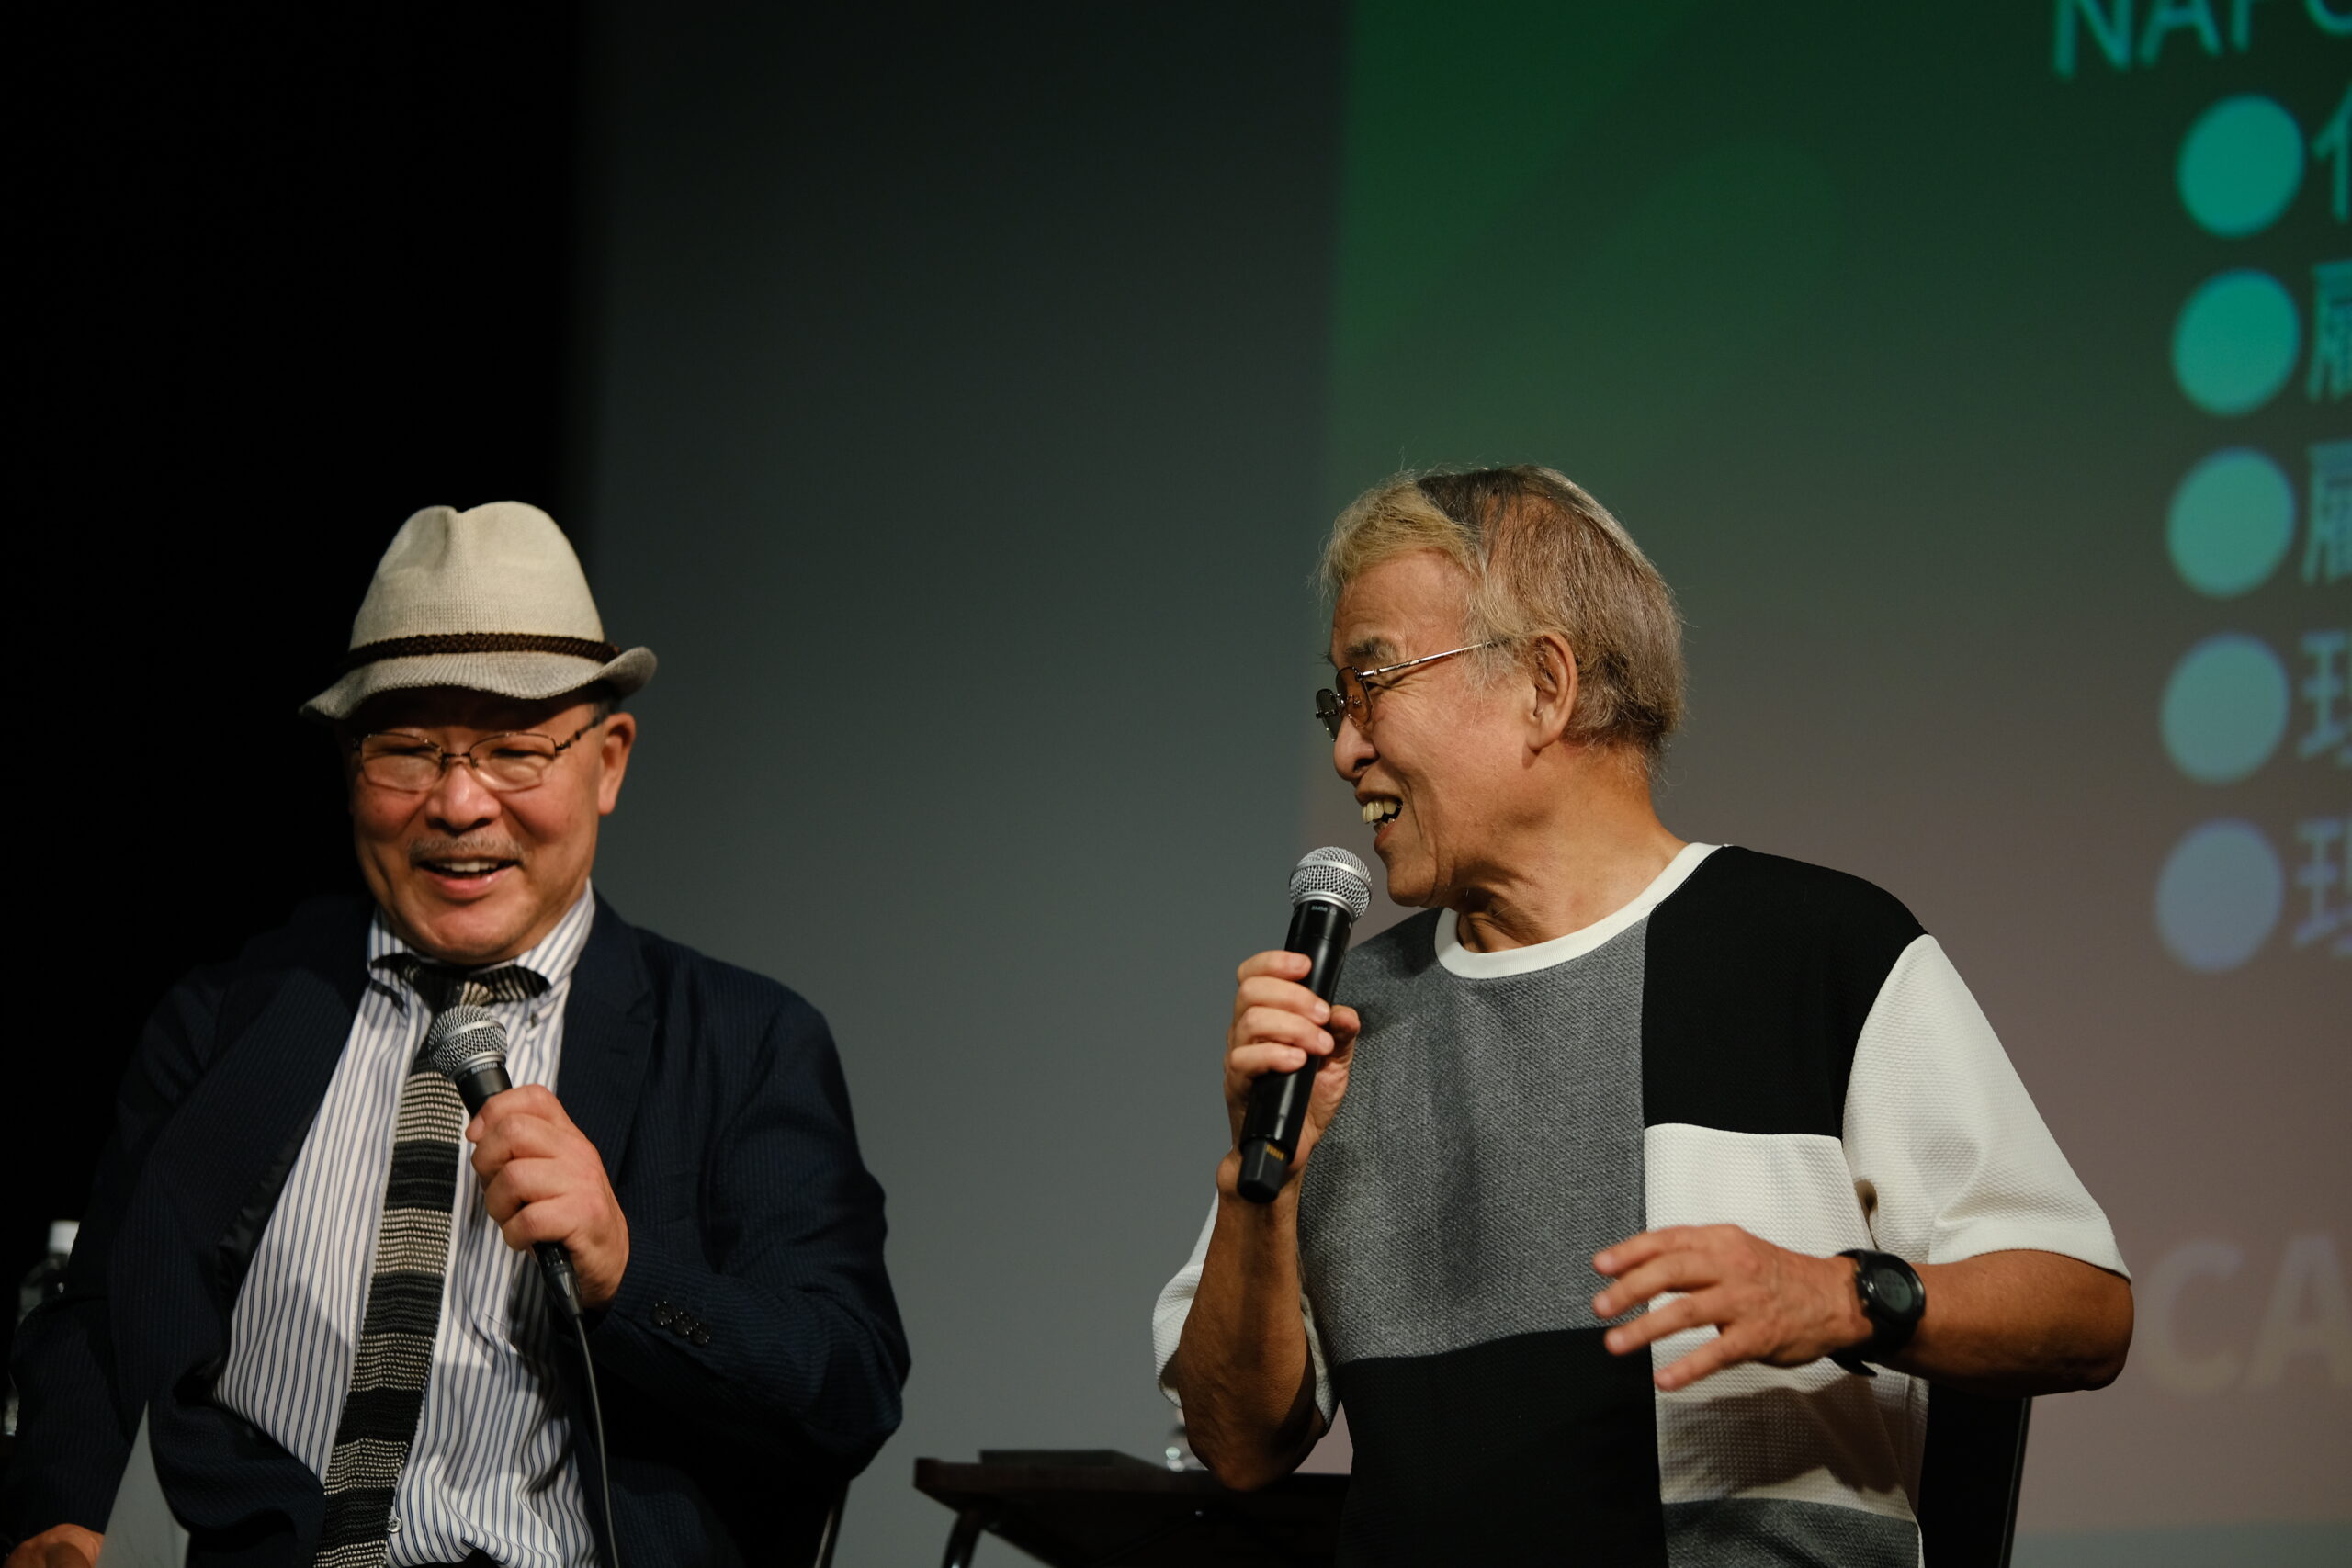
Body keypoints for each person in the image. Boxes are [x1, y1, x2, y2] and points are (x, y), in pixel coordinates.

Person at [1153, 467, 2132, 1565]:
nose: (1346, 748)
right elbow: (1236, 1445)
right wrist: (1255, 1186)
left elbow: (2083, 1310)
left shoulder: (1812, 948)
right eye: (1337, 702)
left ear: (1544, 683)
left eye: (1375, 683)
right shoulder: (1344, 1023)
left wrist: (1847, 1296)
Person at [4, 502, 909, 1568]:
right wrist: (55, 1518)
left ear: (609, 761)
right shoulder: (225, 1021)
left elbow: (846, 1385)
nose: (460, 803)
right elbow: (104, 1309)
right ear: (352, 767)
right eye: (408, 751)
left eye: (515, 751)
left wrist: (630, 1274)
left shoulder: (745, 1043)